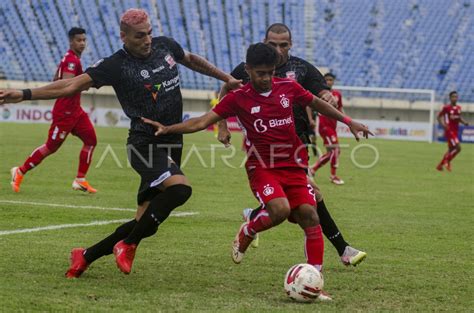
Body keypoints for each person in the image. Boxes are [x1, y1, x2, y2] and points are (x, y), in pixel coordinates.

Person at [0, 8, 241, 277]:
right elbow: (70, 86)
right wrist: (23, 94)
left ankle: (85, 255)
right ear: (123, 36)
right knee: (180, 190)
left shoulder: (165, 45)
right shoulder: (115, 65)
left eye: (149, 33)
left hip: (173, 139)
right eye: (140, 36)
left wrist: (226, 78)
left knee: (145, 220)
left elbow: (192, 59)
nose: (148, 39)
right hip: (144, 143)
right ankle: (128, 244)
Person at [142, 43, 373, 300]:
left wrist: (350, 122)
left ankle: (315, 282)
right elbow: (201, 122)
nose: (266, 79)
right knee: (280, 209)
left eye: (270, 72)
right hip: (262, 166)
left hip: (294, 165)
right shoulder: (238, 98)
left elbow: (318, 104)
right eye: (260, 73)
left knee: (310, 215)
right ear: (248, 70)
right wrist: (168, 129)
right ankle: (248, 230)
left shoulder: (288, 87)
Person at [219, 23, 367, 266]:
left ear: (291, 44)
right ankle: (343, 249)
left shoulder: (300, 68)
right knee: (313, 196)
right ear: (264, 43)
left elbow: (321, 91)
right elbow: (226, 88)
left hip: (297, 144)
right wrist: (223, 126)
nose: (278, 49)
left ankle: (254, 216)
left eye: (283, 44)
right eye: (272, 44)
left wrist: (326, 95)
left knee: (298, 204)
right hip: (266, 147)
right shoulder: (251, 66)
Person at [9, 27, 97, 193]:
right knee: (51, 147)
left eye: (84, 40)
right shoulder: (72, 61)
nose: (82, 43)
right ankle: (20, 171)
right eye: (79, 40)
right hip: (65, 112)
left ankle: (80, 180)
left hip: (75, 111)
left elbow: (59, 80)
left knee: (91, 140)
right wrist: (85, 84)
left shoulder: (71, 59)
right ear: (71, 41)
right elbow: (67, 84)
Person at [310, 73, 345, 185]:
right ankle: (333, 176)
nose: (329, 82)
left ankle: (312, 169)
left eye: (331, 80)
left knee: (332, 152)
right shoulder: (321, 94)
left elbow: (340, 109)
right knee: (335, 150)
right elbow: (310, 105)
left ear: (334, 81)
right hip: (324, 126)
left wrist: (348, 121)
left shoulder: (337, 94)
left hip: (333, 126)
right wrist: (311, 120)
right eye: (327, 80)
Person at [436, 91, 469, 171]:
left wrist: (464, 122)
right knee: (458, 148)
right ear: (450, 98)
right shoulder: (446, 108)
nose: (455, 98)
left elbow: (458, 118)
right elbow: (438, 117)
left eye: (456, 97)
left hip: (455, 131)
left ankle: (440, 166)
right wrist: (443, 125)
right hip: (449, 131)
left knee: (451, 149)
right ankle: (447, 161)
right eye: (453, 97)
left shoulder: (458, 108)